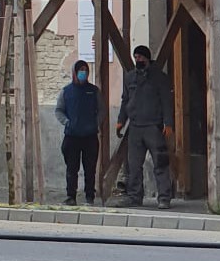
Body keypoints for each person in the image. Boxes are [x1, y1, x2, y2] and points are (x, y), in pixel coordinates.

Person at [113, 45, 174, 209]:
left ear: (147, 58)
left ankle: (164, 197)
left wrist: (168, 123)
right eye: (135, 57)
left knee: (160, 163)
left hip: (153, 127)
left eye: (140, 57)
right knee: (133, 165)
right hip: (135, 127)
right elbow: (125, 100)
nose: (137, 60)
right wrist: (121, 120)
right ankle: (134, 196)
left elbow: (166, 101)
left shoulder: (159, 77)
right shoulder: (129, 77)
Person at [55, 60, 102, 206]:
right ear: (75, 72)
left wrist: (96, 123)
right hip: (72, 136)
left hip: (90, 136)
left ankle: (89, 196)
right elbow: (59, 110)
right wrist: (67, 122)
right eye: (80, 70)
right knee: (71, 168)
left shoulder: (94, 91)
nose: (83, 73)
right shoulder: (66, 91)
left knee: (90, 169)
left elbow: (101, 110)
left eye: (85, 70)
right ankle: (71, 196)